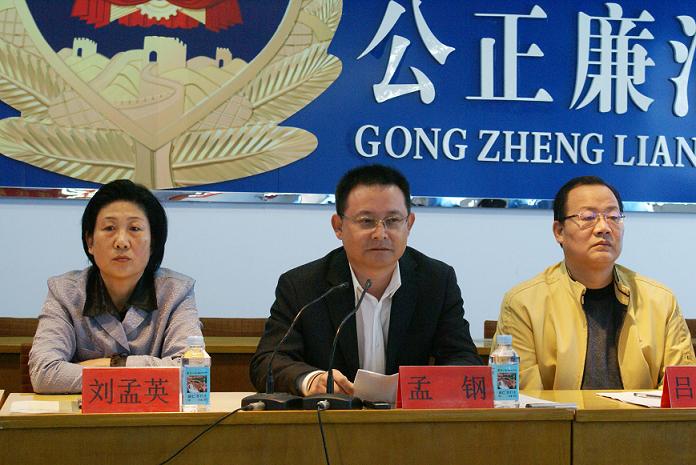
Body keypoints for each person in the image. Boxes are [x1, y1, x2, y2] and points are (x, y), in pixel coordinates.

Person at [250, 164, 481, 396]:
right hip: (332, 415)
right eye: (367, 221)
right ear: (338, 226)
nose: (380, 234)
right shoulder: (302, 286)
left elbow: (464, 359)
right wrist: (311, 380)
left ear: (409, 224)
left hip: (406, 416)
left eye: (392, 220)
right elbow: (268, 361)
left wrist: (430, 387)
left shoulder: (436, 281)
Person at [495, 176, 695, 390]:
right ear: (559, 232)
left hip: (639, 414)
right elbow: (520, 397)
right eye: (588, 217)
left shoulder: (660, 301)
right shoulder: (523, 303)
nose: (603, 228)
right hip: (558, 414)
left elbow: (683, 389)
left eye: (613, 217)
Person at [29, 179, 202, 393]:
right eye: (109, 228)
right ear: (90, 242)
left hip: (154, 414)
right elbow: (44, 373)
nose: (121, 242)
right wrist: (147, 370)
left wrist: (113, 364)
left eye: (135, 228)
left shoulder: (177, 292)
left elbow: (192, 373)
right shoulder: (64, 292)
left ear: (153, 243)